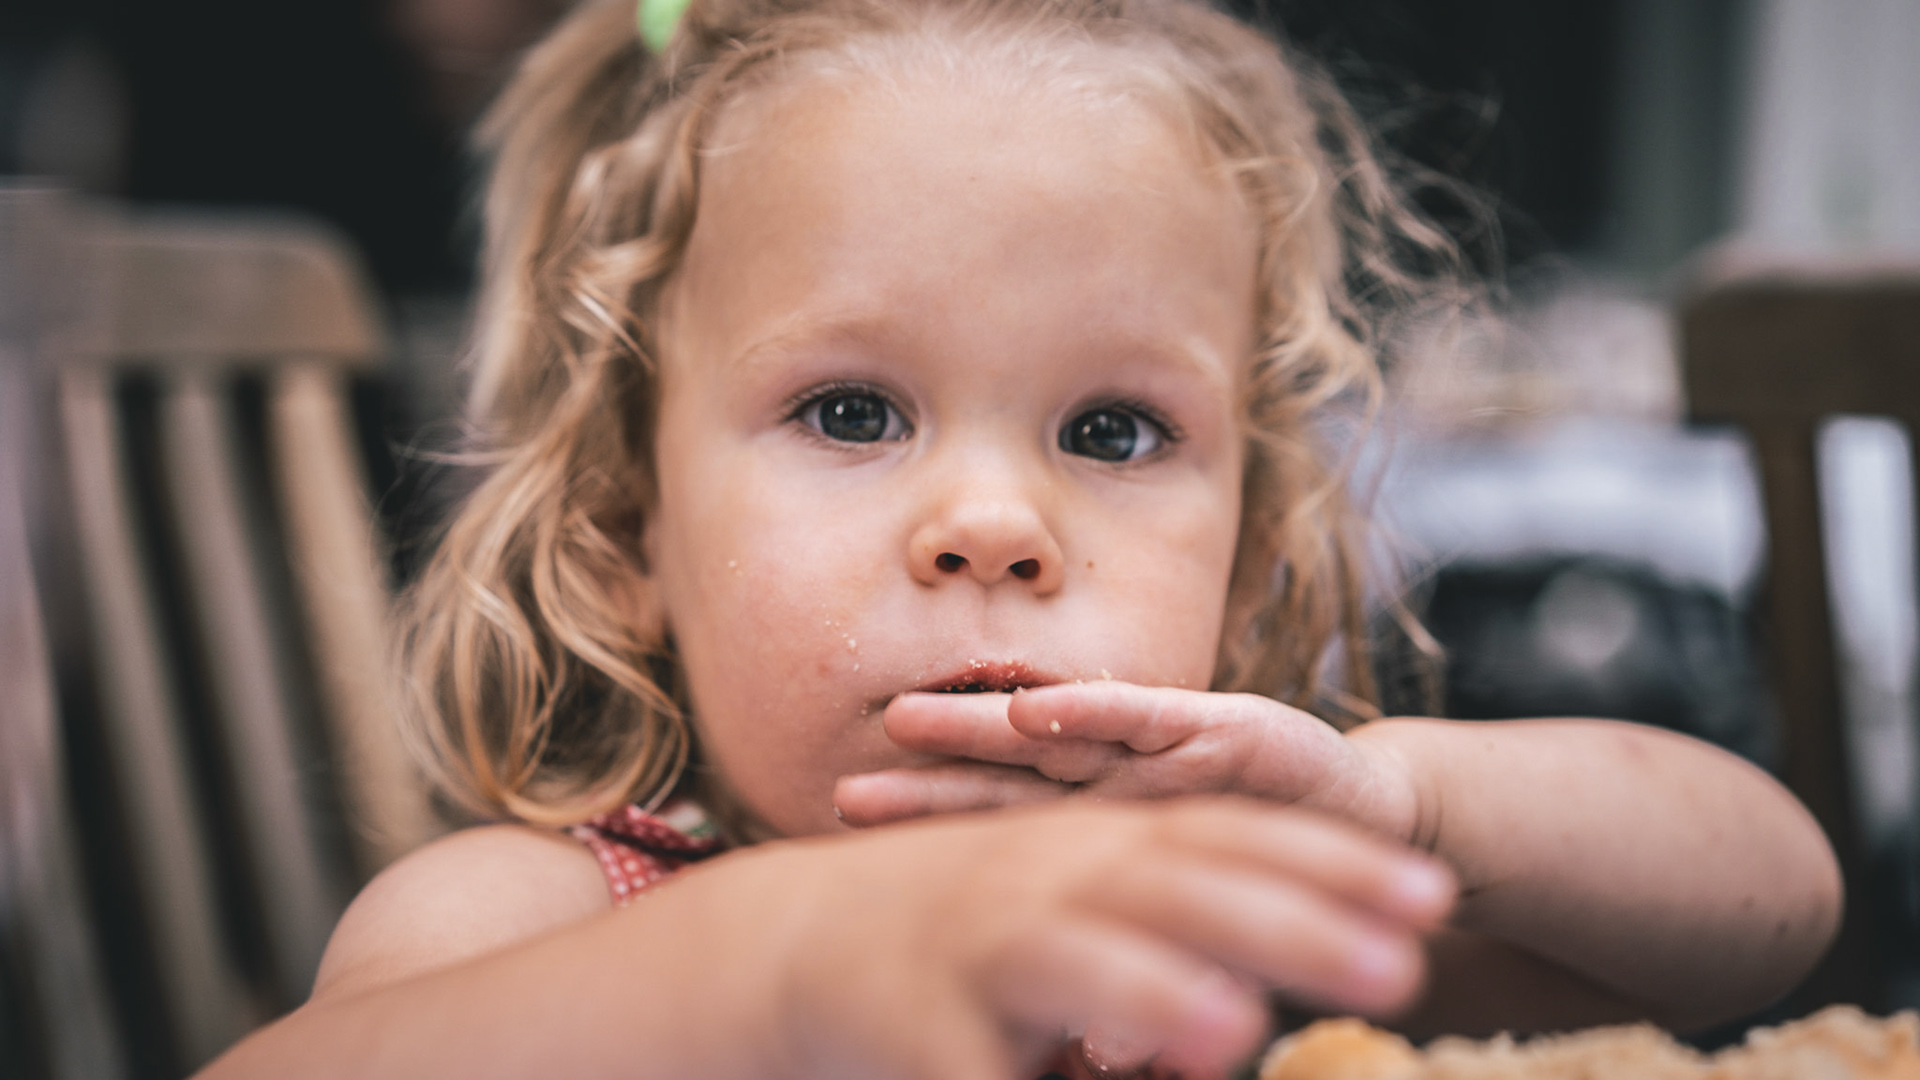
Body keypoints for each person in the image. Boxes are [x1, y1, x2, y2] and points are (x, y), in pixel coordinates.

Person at [200, 0, 1840, 1076]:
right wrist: (775, 968)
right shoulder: (548, 920)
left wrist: (1402, 797)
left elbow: (1771, 916)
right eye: (853, 411)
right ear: (627, 532)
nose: (993, 527)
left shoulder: (1198, 933)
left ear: (1250, 561)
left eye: (1112, 432)